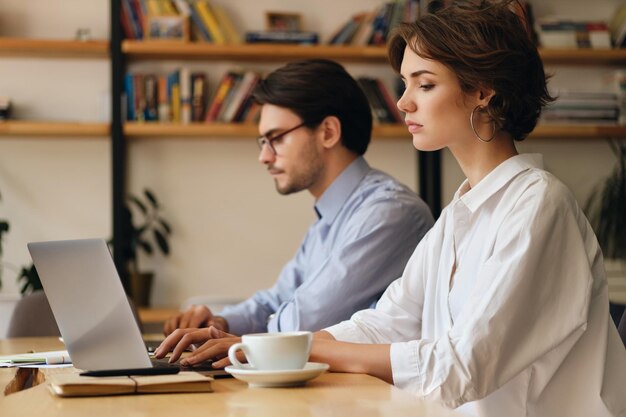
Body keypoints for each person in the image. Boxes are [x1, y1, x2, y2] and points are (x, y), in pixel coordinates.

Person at [155, 2, 626, 416]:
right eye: (404, 85)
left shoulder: (539, 204)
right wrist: (255, 347)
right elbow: (385, 321)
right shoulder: (458, 215)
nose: (402, 103)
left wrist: (283, 350)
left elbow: (459, 370)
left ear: (483, 90)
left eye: (423, 84)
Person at [161, 59, 434, 337]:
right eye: (264, 142)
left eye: (276, 138)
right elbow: (276, 300)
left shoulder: (389, 213)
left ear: (328, 132)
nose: (264, 156)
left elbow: (303, 323)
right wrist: (220, 323)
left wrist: (234, 340)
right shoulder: (329, 216)